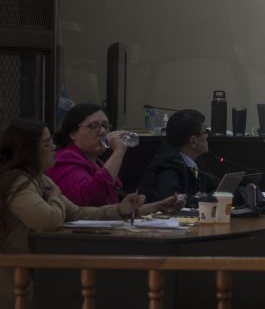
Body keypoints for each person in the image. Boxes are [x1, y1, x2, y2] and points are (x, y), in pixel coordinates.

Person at [0, 119, 181, 305]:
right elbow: (48, 220)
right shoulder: (18, 182)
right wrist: (55, 196)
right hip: (13, 278)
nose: (53, 147)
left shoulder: (41, 179)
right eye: (46, 144)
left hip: (34, 273)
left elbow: (77, 213)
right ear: (28, 152)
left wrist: (119, 209)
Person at [47, 103, 130, 206]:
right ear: (73, 133)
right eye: (94, 126)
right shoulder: (64, 159)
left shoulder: (97, 163)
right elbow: (90, 198)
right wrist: (118, 152)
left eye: (105, 125)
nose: (103, 132)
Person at [138, 109, 218, 204]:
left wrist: (209, 196)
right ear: (193, 141)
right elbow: (168, 199)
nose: (208, 135)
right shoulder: (168, 164)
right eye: (205, 131)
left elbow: (215, 187)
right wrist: (197, 199)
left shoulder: (197, 161)